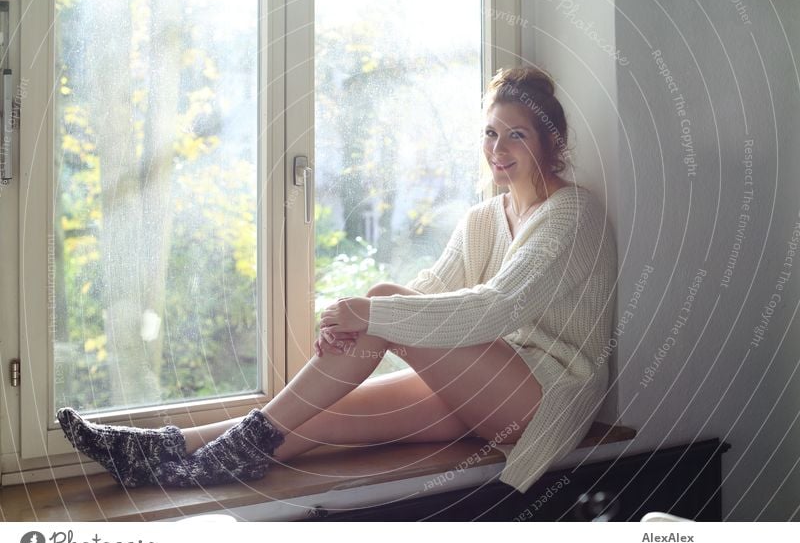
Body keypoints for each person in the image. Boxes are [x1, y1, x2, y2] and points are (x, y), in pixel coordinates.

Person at [57, 66, 617, 493]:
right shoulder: (482, 219)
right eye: (491, 133)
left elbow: (496, 307)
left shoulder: (573, 213)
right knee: (334, 417)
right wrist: (358, 325)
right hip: (486, 386)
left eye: (516, 135)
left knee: (380, 303)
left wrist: (369, 315)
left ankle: (221, 444)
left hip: (543, 394)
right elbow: (430, 292)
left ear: (551, 143)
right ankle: (164, 453)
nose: (498, 150)